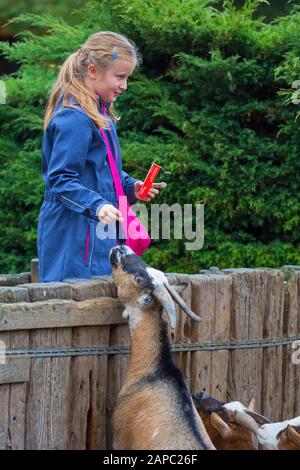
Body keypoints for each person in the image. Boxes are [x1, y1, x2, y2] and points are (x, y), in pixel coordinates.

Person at [38, 31, 165, 282]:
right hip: (73, 237)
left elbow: (104, 171)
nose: (124, 85)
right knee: (74, 309)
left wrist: (131, 187)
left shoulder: (100, 114)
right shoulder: (74, 118)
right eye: (119, 77)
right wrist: (97, 205)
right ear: (93, 71)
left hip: (98, 232)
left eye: (127, 78)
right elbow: (60, 179)